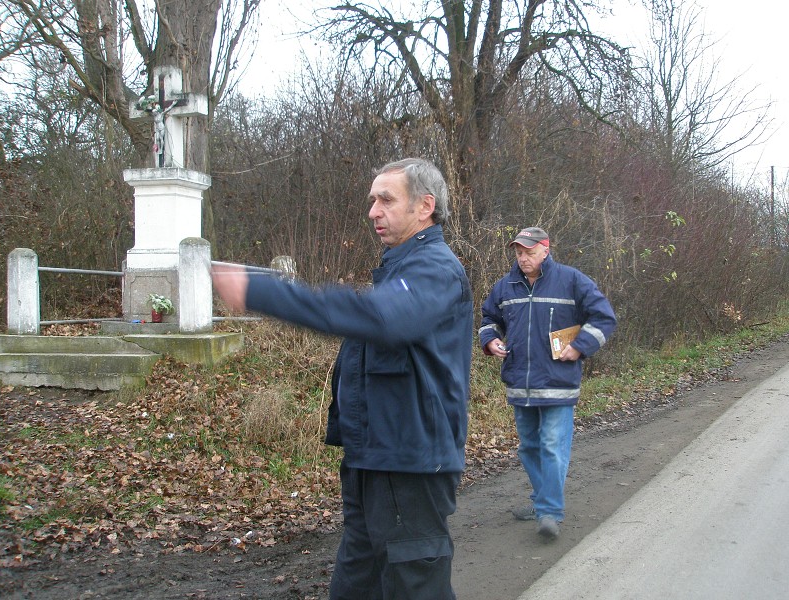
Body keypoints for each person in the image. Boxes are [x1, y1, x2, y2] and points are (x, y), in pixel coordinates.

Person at [212, 158, 473, 599]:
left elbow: (380, 319)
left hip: (409, 464)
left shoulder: (435, 269)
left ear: (425, 206)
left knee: (414, 586)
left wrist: (263, 291)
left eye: (386, 199)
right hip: (371, 460)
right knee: (356, 585)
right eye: (372, 200)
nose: (373, 210)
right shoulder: (399, 270)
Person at [478, 227, 616, 540]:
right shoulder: (506, 286)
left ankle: (549, 512)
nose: (523, 258)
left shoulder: (571, 280)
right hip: (520, 384)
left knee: (553, 447)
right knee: (529, 448)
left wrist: (581, 345)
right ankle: (543, 502)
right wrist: (491, 341)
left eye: (528, 252)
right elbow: (488, 319)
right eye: (518, 252)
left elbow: (604, 317)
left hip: (558, 383)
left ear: (545, 250)